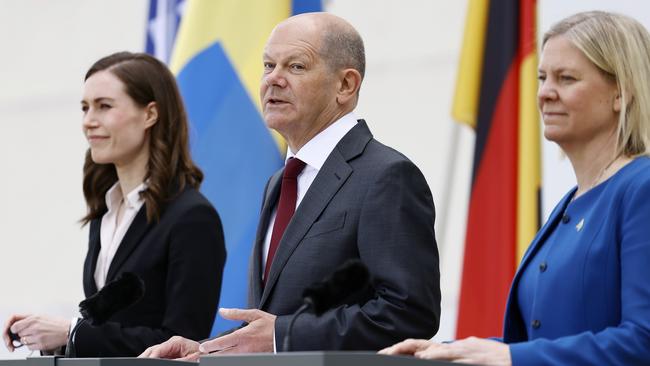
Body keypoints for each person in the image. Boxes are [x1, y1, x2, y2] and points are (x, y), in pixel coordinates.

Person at [140, 12, 440, 360]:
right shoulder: (278, 182)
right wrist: (208, 350)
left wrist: (282, 336)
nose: (273, 80)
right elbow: (273, 318)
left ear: (346, 85)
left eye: (296, 67)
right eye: (268, 65)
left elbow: (409, 314)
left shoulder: (387, 177)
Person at [380, 10, 650, 365]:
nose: (545, 94)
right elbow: (539, 341)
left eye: (566, 78)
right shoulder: (570, 203)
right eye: (542, 78)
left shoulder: (640, 189)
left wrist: (511, 357)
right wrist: (452, 350)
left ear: (621, 93)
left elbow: (643, 340)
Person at [2, 52, 226, 357]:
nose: (88, 122)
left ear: (150, 114)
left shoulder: (193, 218)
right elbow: (108, 328)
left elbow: (182, 343)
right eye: (85, 108)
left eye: (104, 106)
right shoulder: (105, 213)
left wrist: (70, 331)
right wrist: (52, 335)